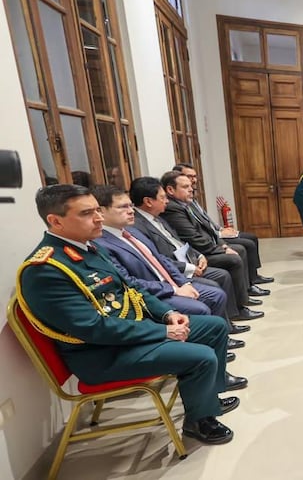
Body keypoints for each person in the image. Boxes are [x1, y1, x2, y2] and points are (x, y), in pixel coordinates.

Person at [19, 184, 247, 444]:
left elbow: (132, 289)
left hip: (132, 333)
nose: (98, 218)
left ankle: (207, 401)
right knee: (201, 356)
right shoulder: (46, 269)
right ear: (55, 221)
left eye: (97, 210)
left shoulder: (89, 247)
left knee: (214, 326)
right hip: (103, 354)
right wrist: (162, 331)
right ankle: (199, 422)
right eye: (86, 213)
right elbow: (94, 328)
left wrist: (167, 313)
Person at [129, 177, 262, 326]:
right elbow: (159, 258)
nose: (166, 201)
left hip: (189, 259)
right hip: (176, 269)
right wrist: (189, 268)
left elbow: (179, 240)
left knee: (230, 264)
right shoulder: (138, 226)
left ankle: (233, 315)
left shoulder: (158, 218)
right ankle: (225, 324)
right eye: (162, 197)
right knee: (220, 277)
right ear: (148, 201)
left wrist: (198, 255)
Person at [160, 172, 266, 316]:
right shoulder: (173, 208)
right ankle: (239, 308)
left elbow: (208, 228)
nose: (191, 188)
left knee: (242, 246)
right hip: (194, 253)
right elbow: (192, 237)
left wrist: (223, 245)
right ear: (170, 190)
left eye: (191, 185)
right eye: (185, 186)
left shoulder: (186, 203)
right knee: (233, 258)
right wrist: (218, 250)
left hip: (201, 249)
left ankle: (245, 293)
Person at [173, 163, 273, 289]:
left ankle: (252, 278)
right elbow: (195, 235)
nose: (192, 181)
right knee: (243, 247)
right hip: (204, 247)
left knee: (250, 238)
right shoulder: (178, 206)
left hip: (213, 237)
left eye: (194, 177)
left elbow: (205, 220)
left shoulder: (190, 198)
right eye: (188, 178)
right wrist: (221, 242)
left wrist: (220, 230)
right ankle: (247, 288)